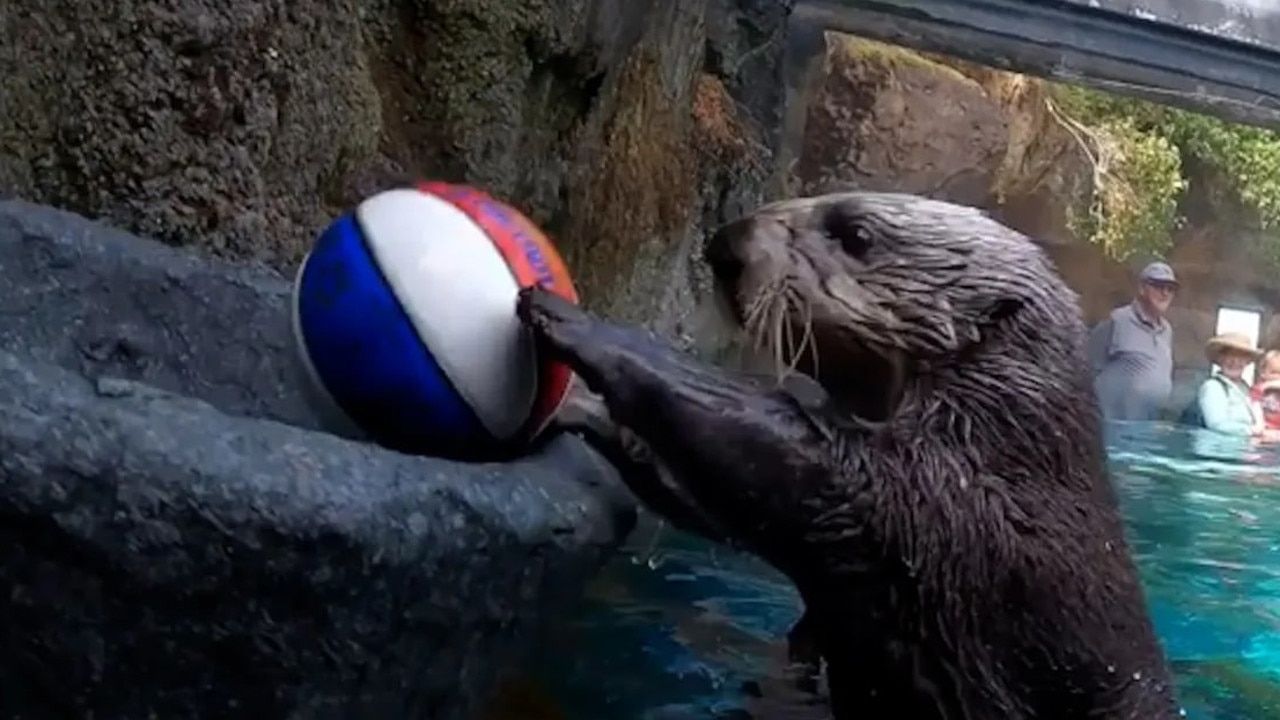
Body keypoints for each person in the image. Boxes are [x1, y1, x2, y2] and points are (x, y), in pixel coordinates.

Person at [1087, 262, 1178, 421]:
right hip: (1114, 426)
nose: (1165, 293)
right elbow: (1086, 367)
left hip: (1148, 427)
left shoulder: (1167, 330)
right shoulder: (1117, 320)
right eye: (1158, 286)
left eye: (1170, 288)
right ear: (1142, 288)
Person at [1196, 332, 1264, 436]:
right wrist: (1253, 432)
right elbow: (1217, 425)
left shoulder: (1245, 388)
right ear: (1220, 359)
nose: (1235, 361)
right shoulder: (1212, 387)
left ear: (1247, 361)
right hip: (1216, 450)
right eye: (1229, 356)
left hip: (1241, 449)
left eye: (1241, 357)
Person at [1251, 349, 1280, 431]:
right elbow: (1255, 406)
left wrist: (1270, 385)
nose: (1278, 377)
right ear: (1263, 373)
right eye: (1274, 372)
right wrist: (1259, 423)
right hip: (1266, 426)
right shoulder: (1259, 389)